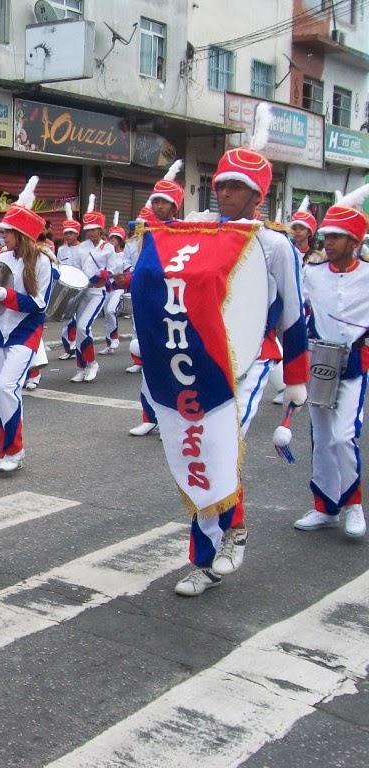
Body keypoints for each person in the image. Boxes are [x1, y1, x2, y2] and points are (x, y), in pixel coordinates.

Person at [134, 111, 308, 597]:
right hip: (200, 357)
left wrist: (296, 376)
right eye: (220, 185)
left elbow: (293, 315)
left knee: (215, 447)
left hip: (253, 359)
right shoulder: (199, 231)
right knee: (200, 450)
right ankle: (215, 548)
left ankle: (223, 545)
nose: (223, 193)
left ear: (259, 195)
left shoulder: (274, 245)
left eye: (235, 188)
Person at [293, 184, 369, 540]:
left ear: (355, 241)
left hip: (354, 366)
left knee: (343, 436)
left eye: (337, 237)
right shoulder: (312, 274)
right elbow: (295, 310)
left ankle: (353, 504)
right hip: (320, 364)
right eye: (327, 236)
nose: (330, 242)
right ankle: (325, 506)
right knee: (322, 438)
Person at [0, 177, 56, 471]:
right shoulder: (3, 257)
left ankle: (15, 452)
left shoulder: (42, 262)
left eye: (7, 232)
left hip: (25, 331)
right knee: (1, 393)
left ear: (21, 234)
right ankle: (6, 451)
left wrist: (8, 296)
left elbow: (40, 305)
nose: (2, 237)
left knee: (7, 387)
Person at [128, 160, 185, 436]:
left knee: (173, 363)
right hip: (147, 303)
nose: (158, 206)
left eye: (163, 202)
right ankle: (149, 415)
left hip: (173, 305)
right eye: (156, 202)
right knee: (149, 361)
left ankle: (173, 417)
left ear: (174, 205)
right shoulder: (147, 231)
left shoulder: (183, 232)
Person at [70, 194, 112, 383]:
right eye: (88, 230)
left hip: (97, 292)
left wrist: (103, 274)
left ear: (100, 229)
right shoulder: (81, 247)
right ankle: (81, 367)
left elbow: (112, 270)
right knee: (80, 330)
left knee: (83, 326)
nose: (91, 233)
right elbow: (76, 267)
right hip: (82, 291)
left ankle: (92, 363)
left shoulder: (108, 248)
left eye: (94, 230)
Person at [99, 211, 128, 356]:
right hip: (107, 287)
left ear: (121, 240)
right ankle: (109, 344)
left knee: (111, 311)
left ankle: (115, 338)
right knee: (107, 316)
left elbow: (127, 270)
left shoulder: (124, 254)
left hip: (118, 287)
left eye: (116, 238)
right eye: (111, 238)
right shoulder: (106, 253)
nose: (112, 240)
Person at [56, 206, 83, 360]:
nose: (68, 235)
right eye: (66, 233)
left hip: (80, 288)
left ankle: (77, 346)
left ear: (77, 233)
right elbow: (60, 266)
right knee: (66, 318)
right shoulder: (61, 250)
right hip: (65, 287)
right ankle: (68, 347)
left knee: (77, 319)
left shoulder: (82, 249)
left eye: (71, 233)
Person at [289, 196, 324, 268]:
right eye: (295, 228)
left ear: (309, 232)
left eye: (302, 228)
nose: (297, 231)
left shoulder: (316, 257)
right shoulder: (287, 251)